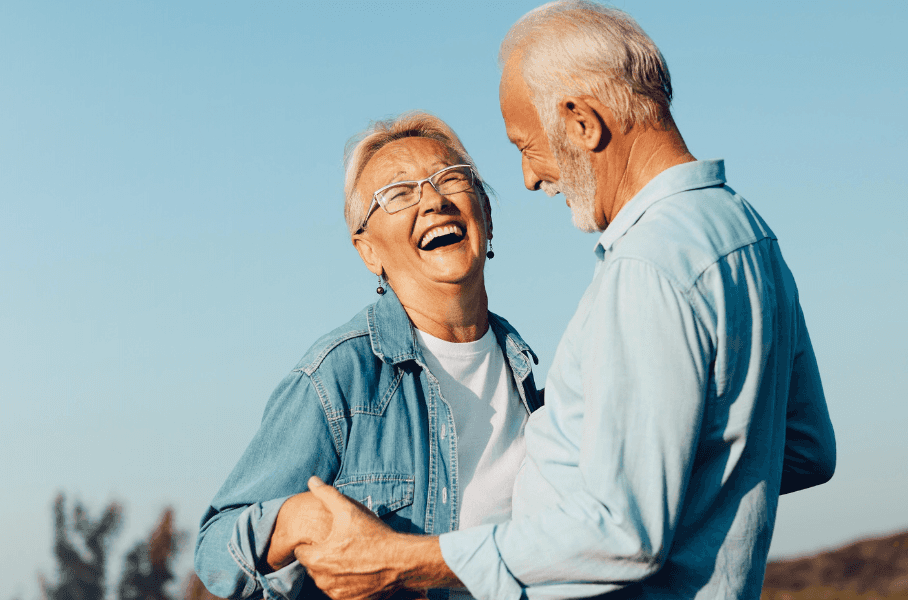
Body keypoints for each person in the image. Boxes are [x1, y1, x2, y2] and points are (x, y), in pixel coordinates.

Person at [290, 3, 838, 600]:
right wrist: (668, 474)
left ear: (582, 123)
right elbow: (807, 449)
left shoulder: (646, 268)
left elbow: (622, 534)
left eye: (527, 145)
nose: (528, 177)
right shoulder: (744, 230)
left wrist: (406, 559)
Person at [194, 111, 540, 600]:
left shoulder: (533, 381)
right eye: (399, 194)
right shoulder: (339, 375)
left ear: (485, 212)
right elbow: (214, 548)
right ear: (368, 251)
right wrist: (294, 519)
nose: (435, 201)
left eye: (450, 179)